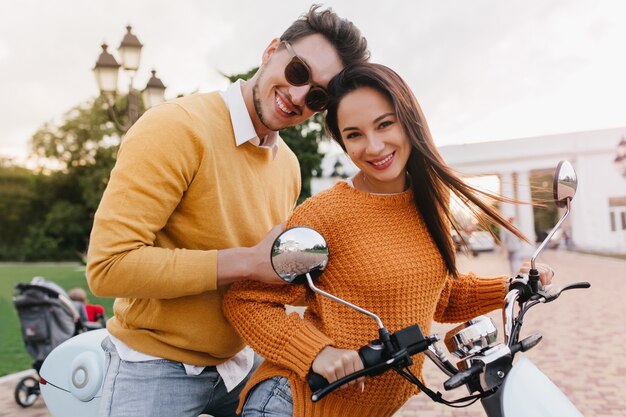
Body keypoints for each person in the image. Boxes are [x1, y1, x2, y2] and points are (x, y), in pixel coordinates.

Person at [223, 63, 554, 417]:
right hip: (295, 405)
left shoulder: (429, 205)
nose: (375, 146)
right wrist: (316, 352)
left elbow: (436, 296)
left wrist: (513, 284)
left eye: (384, 124)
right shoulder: (324, 216)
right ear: (341, 140)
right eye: (354, 135)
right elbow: (246, 300)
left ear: (408, 119)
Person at [86, 6, 369, 417]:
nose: (298, 95)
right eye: (297, 71)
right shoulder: (175, 127)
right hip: (154, 367)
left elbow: (268, 278)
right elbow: (107, 268)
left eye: (318, 96)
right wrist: (249, 263)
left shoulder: (288, 166)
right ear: (271, 50)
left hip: (240, 366)